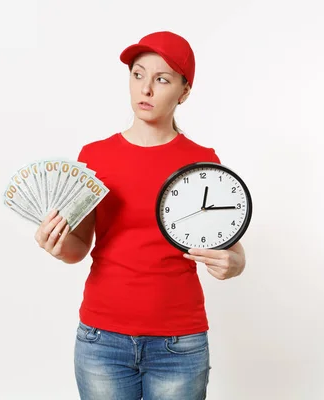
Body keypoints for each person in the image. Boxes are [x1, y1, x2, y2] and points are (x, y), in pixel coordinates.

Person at [34, 31, 247, 400]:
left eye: (162, 79)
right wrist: (56, 243)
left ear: (184, 92)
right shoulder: (95, 156)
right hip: (102, 340)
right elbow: (79, 247)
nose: (146, 89)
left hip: (179, 343)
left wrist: (235, 263)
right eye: (138, 74)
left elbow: (231, 248)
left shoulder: (201, 161)